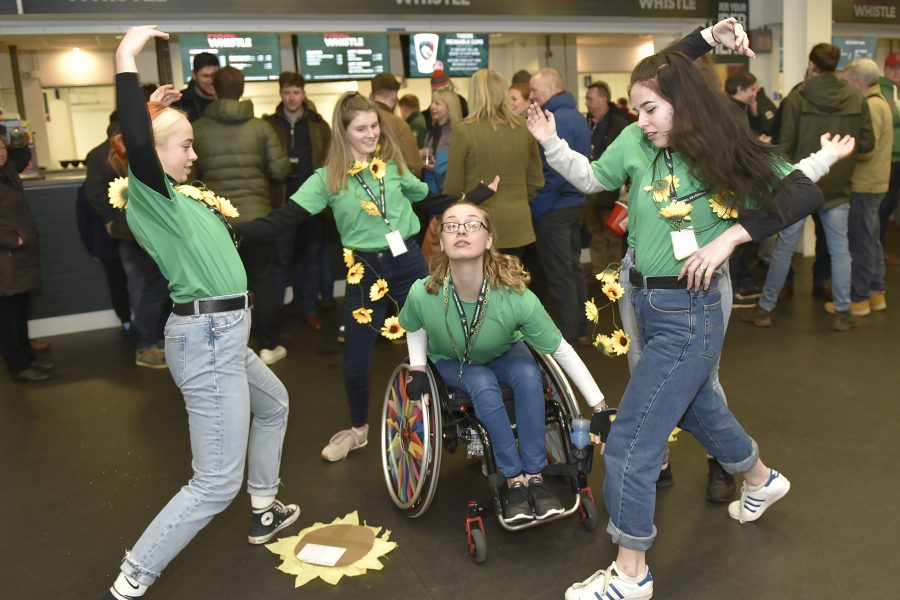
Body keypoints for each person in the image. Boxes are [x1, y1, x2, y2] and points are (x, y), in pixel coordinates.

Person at [527, 20, 837, 599]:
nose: (639, 121)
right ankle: (759, 479)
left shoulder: (723, 152)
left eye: (649, 110)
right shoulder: (640, 142)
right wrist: (704, 35)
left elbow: (801, 191)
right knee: (696, 408)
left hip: (691, 309)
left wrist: (730, 238)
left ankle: (630, 574)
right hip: (642, 296)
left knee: (630, 440)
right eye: (636, 109)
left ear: (682, 106)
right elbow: (601, 166)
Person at [101, 27, 298, 600]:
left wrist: (309, 199)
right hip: (208, 338)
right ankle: (135, 574)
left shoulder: (186, 200)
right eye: (183, 144)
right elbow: (138, 142)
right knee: (214, 483)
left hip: (228, 334)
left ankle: (264, 510)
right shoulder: (150, 196)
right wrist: (125, 59)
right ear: (153, 155)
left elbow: (240, 235)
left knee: (276, 403)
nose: (194, 153)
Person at [235, 92, 498, 463]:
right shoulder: (326, 180)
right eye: (361, 128)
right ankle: (358, 431)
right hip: (365, 270)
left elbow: (431, 201)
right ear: (343, 133)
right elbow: (282, 220)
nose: (372, 134)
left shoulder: (391, 168)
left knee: (442, 340)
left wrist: (479, 195)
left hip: (407, 261)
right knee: (356, 360)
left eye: (375, 126)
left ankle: (466, 419)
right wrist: (235, 230)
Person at [400, 202, 610, 523]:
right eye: (451, 225)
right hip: (452, 360)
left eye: (472, 224)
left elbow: (561, 350)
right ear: (442, 242)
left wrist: (600, 408)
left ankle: (535, 478)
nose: (460, 230)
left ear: (488, 240)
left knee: (529, 373)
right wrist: (416, 367)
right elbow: (413, 326)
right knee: (482, 383)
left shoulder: (515, 296)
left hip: (503, 352)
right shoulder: (422, 293)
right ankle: (513, 479)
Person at [746, 42, 874, 332]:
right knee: (841, 250)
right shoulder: (857, 99)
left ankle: (765, 309)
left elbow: (785, 145)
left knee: (784, 248)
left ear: (812, 65)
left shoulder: (797, 97)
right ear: (836, 65)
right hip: (838, 186)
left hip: (800, 186)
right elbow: (867, 145)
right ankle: (843, 312)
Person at [192, 66, 291, 364]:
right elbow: (279, 169)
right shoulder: (261, 128)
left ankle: (227, 348)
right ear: (243, 89)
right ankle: (268, 345)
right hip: (258, 219)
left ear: (214, 90)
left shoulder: (197, 129)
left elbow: (189, 176)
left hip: (217, 223)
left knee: (222, 285)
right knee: (263, 282)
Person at [444, 68, 544, 255]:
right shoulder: (524, 127)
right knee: (512, 282)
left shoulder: (464, 130)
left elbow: (453, 187)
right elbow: (536, 180)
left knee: (482, 283)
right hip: (518, 225)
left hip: (478, 225)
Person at [264, 71, 333, 332]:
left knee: (311, 258)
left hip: (314, 204)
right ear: (280, 94)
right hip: (283, 204)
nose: (291, 98)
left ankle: (309, 308)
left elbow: (329, 160)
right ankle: (275, 312)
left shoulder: (318, 124)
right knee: (281, 260)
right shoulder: (269, 124)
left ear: (304, 94)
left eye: (296, 92)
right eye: (286, 93)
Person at [529, 67, 592, 345]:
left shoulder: (555, 118)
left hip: (555, 207)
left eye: (535, 90)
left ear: (551, 88)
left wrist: (538, 207)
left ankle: (565, 335)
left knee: (560, 274)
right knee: (573, 269)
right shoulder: (575, 115)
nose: (532, 96)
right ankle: (580, 328)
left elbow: (554, 171)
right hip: (574, 204)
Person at [841, 58, 893, 316]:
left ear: (859, 82)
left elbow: (866, 147)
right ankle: (876, 293)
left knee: (861, 242)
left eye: (848, 82)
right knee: (872, 240)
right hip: (877, 182)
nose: (846, 86)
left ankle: (859, 299)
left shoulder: (869, 106)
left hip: (864, 183)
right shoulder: (882, 101)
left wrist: (842, 154)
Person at [0, 136, 53, 383]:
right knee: (7, 319)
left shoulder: (7, 174)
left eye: (1, 148)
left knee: (20, 313)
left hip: (21, 257)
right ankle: (18, 366)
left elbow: (22, 157)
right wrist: (13, 239)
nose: (1, 153)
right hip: (7, 258)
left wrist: (15, 142)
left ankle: (28, 360)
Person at [584, 81, 630, 277]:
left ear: (603, 100)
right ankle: (598, 274)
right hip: (590, 190)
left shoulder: (619, 124)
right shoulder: (586, 123)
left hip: (612, 192)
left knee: (613, 235)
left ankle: (613, 276)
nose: (586, 102)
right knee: (595, 234)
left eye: (590, 98)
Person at [369, 73, 423, 176]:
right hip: (392, 188)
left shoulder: (356, 120)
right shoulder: (399, 125)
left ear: (372, 95)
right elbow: (415, 167)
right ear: (394, 98)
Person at [422, 88, 462, 194]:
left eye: (437, 103)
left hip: (449, 193)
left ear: (450, 108)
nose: (432, 107)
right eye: (432, 102)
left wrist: (437, 168)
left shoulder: (458, 134)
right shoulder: (430, 133)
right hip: (429, 192)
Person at [879, 52, 900, 251]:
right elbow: (888, 119)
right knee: (883, 207)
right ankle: (878, 247)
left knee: (890, 206)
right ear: (885, 69)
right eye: (893, 67)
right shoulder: (881, 90)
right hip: (887, 158)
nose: (897, 72)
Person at [172, 51, 219, 122]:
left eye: (214, 75)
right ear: (194, 75)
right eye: (205, 76)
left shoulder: (226, 99)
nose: (211, 81)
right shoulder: (179, 104)